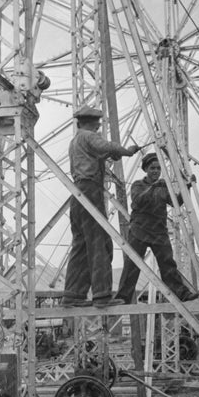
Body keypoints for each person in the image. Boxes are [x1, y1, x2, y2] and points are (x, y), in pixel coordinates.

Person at [61, 105, 139, 307]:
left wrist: (108, 156)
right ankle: (102, 295)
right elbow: (106, 147)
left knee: (81, 245)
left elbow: (96, 155)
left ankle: (73, 295)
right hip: (90, 191)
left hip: (78, 193)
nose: (98, 127)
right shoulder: (88, 136)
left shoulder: (76, 141)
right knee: (99, 242)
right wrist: (126, 151)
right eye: (97, 123)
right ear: (92, 123)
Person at [115, 153, 199, 304]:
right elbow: (139, 200)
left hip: (159, 231)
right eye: (152, 168)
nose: (156, 171)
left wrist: (188, 186)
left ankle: (182, 293)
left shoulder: (162, 187)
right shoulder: (138, 185)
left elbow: (176, 202)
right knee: (132, 265)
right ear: (146, 169)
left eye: (158, 168)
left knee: (168, 264)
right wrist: (154, 187)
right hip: (139, 230)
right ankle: (123, 297)